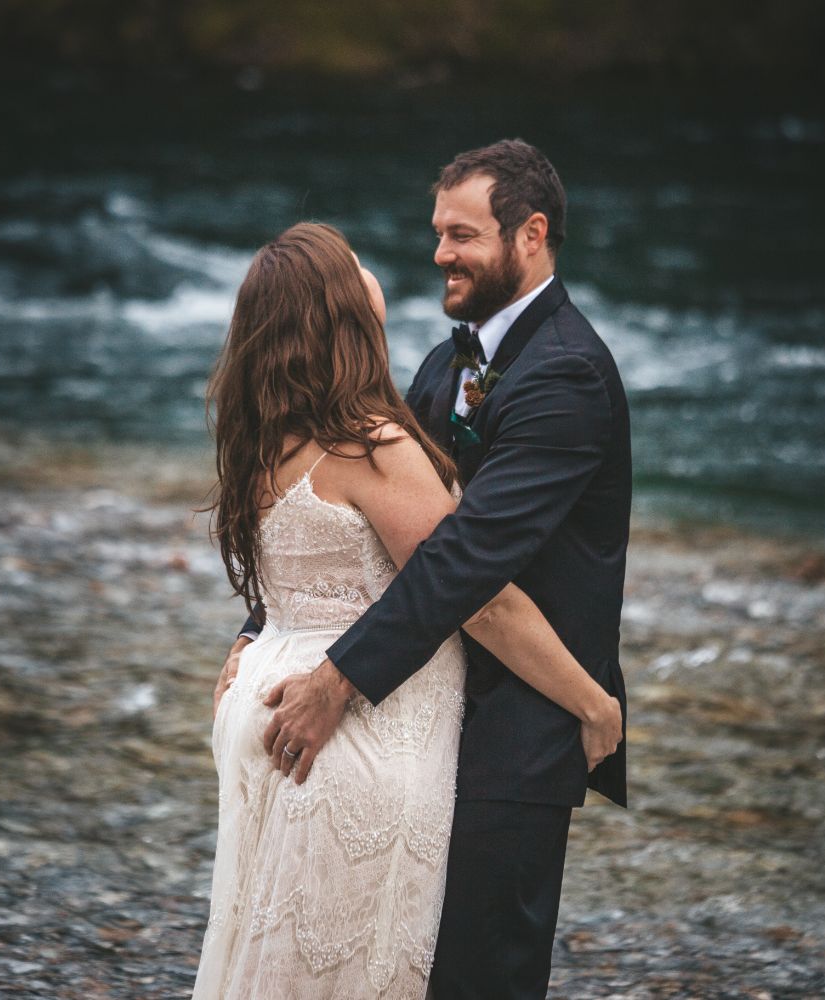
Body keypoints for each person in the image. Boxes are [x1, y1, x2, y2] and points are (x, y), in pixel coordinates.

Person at [191, 220, 622, 999]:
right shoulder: (370, 444)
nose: (401, 262)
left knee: (272, 953)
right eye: (355, 263)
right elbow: (477, 598)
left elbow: (294, 575)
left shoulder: (262, 437)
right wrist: (594, 702)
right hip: (356, 734)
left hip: (267, 704)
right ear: (339, 306)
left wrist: (256, 633)